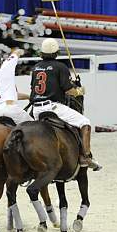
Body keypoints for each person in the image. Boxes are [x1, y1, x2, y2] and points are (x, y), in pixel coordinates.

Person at [30, 38, 101, 171]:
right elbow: (68, 90)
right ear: (56, 53)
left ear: (42, 53)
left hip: (36, 109)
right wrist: (79, 90)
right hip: (53, 107)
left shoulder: (35, 67)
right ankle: (86, 156)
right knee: (85, 123)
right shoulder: (61, 67)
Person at [0, 49, 32, 125]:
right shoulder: (6, 66)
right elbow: (16, 52)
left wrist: (29, 97)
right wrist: (21, 51)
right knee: (35, 126)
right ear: (0, 62)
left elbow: (14, 95)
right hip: (9, 109)